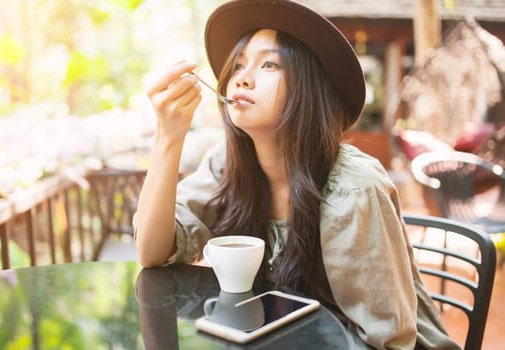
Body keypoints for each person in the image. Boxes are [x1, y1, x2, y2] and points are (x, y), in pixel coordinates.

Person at [134, 0, 461, 348]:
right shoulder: (227, 163)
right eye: (239, 64)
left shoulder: (353, 190)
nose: (241, 77)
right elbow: (153, 254)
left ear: (307, 88)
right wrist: (169, 136)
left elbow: (389, 342)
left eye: (269, 63)